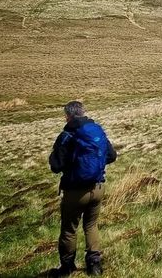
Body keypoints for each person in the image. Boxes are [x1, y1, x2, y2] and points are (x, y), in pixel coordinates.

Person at [48, 101, 117, 276]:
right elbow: (112, 155)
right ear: (83, 112)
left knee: (69, 229)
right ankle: (94, 265)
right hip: (98, 187)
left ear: (67, 115)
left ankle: (67, 267)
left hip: (75, 192)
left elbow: (55, 166)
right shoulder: (97, 131)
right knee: (91, 225)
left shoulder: (67, 135)